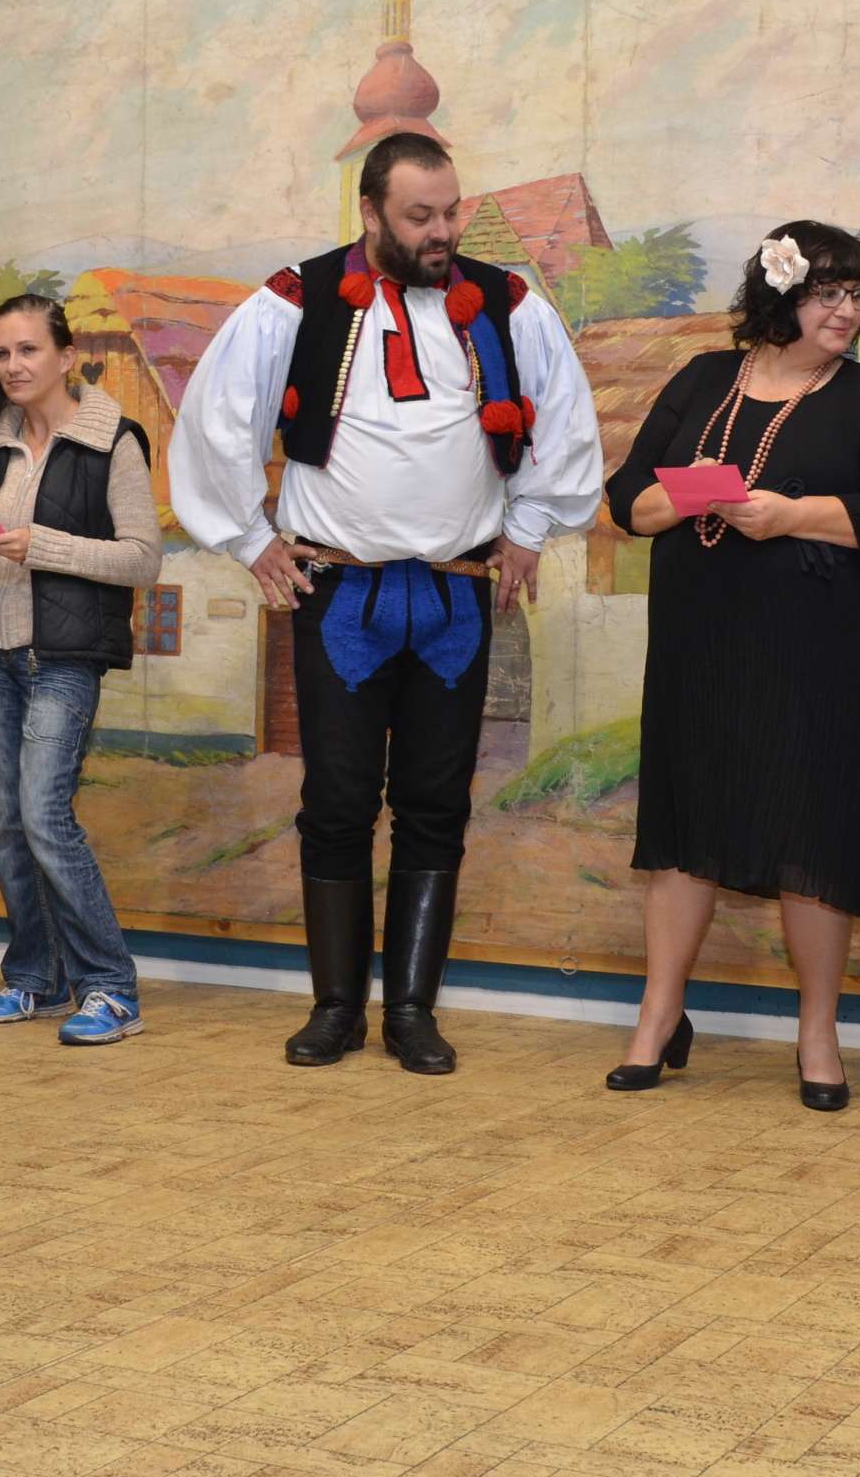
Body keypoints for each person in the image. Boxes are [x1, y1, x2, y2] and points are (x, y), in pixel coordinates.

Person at [172, 132, 601, 1073]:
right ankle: (336, 1008)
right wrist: (249, 537)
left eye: (450, 212)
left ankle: (412, 1011)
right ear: (370, 212)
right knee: (335, 802)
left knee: (436, 803)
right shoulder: (297, 299)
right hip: (341, 593)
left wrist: (531, 526)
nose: (441, 232)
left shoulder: (508, 302)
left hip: (456, 594)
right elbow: (218, 418)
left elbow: (566, 418)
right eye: (419, 216)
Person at [598, 222, 860, 1109]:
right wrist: (684, 495)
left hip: (814, 650)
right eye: (829, 294)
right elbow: (628, 498)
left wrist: (789, 515)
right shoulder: (704, 377)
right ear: (781, 297)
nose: (847, 312)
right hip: (700, 643)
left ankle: (818, 1031)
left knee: (811, 833)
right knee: (685, 825)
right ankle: (659, 1016)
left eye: (858, 297)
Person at [0, 294, 164, 1045]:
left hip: (63, 657)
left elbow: (143, 559)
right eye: (3, 352)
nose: (13, 365)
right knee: (8, 829)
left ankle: (111, 988)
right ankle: (36, 978)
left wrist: (43, 544)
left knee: (44, 816)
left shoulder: (113, 440)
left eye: (28, 349)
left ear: (67, 356)